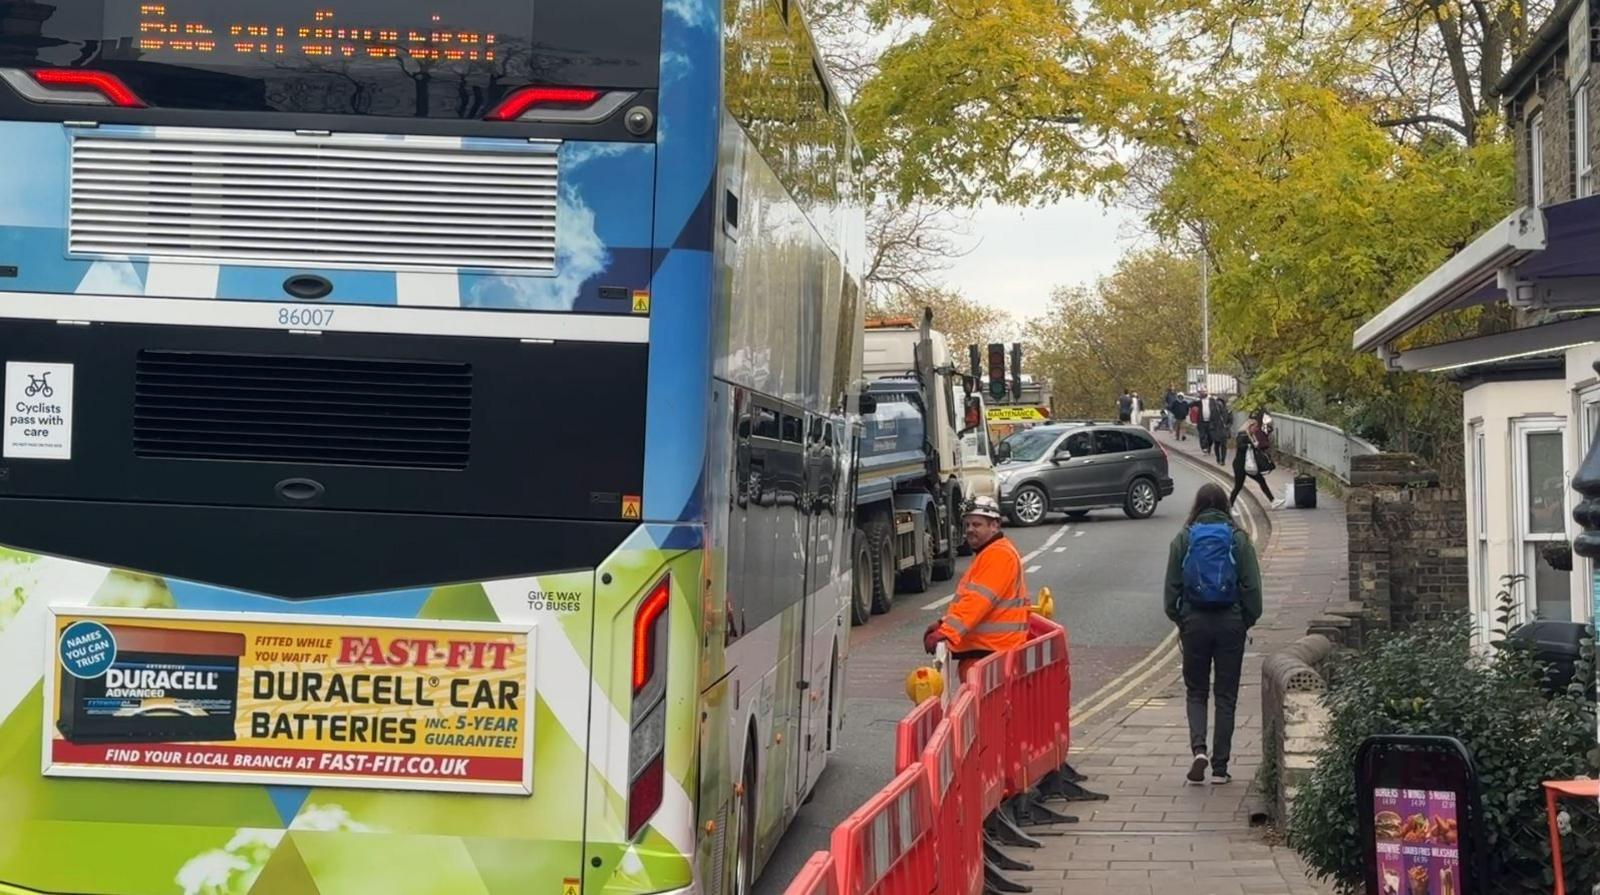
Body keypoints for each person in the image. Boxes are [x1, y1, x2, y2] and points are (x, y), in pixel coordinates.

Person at [1163, 483, 1261, 785]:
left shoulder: (1184, 538)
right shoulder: (1238, 539)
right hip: (1231, 622)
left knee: (1196, 691)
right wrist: (1244, 620)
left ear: (1197, 506)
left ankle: (1199, 750)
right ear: (1224, 506)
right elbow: (1252, 589)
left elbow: (1171, 592)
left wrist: (1182, 618)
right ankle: (1220, 768)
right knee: (1226, 696)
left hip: (1195, 622)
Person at [924, 496, 1029, 677]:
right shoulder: (989, 552)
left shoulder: (998, 555)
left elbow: (977, 602)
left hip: (993, 656)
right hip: (990, 653)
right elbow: (969, 602)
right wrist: (943, 624)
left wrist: (947, 631)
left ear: (995, 525)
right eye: (967, 525)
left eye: (977, 525)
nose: (970, 530)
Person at [1230, 411, 1286, 508]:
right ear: (1249, 426)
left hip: (1250, 465)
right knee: (1238, 487)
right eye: (1255, 427)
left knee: (1261, 480)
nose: (1256, 429)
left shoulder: (1250, 435)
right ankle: (1229, 506)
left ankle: (1273, 501)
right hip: (1240, 465)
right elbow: (1240, 446)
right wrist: (1250, 445)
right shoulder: (1242, 435)